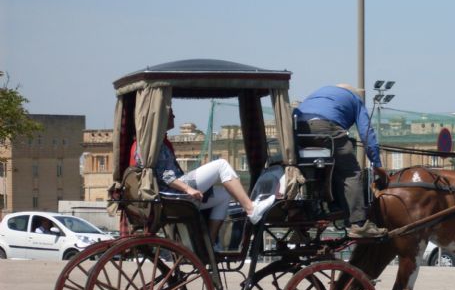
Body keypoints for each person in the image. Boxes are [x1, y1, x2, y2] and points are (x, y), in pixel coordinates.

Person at [130, 107, 274, 242]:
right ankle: (251, 208)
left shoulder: (150, 142)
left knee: (224, 195)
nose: (173, 116)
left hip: (171, 191)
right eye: (170, 114)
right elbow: (165, 175)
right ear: (160, 118)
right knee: (222, 165)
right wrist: (188, 189)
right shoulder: (152, 144)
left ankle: (209, 245)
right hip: (174, 193)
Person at [294, 84, 387, 239]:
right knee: (350, 172)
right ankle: (359, 224)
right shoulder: (355, 99)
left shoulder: (321, 92)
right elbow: (366, 133)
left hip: (298, 128)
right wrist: (377, 165)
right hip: (325, 127)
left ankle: (311, 212)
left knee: (317, 167)